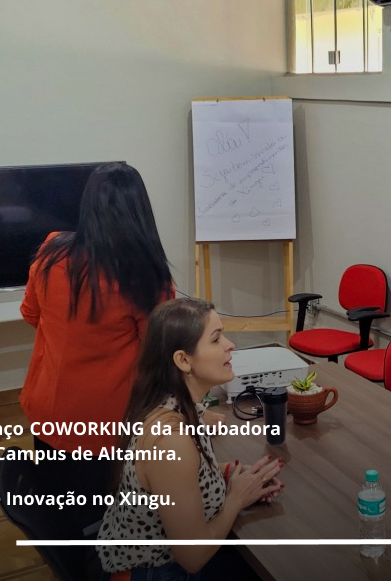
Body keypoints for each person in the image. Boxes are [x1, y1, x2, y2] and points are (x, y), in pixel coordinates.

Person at [20, 162, 176, 527]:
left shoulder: (50, 251)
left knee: (59, 512)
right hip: (104, 428)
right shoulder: (145, 278)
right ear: (140, 211)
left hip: (47, 412)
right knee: (102, 524)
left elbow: (31, 314)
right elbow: (157, 355)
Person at [98, 298, 284, 580]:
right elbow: (192, 557)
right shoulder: (170, 438)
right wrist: (237, 498)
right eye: (216, 339)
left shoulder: (175, 404)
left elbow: (183, 476)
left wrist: (231, 473)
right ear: (183, 360)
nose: (230, 345)